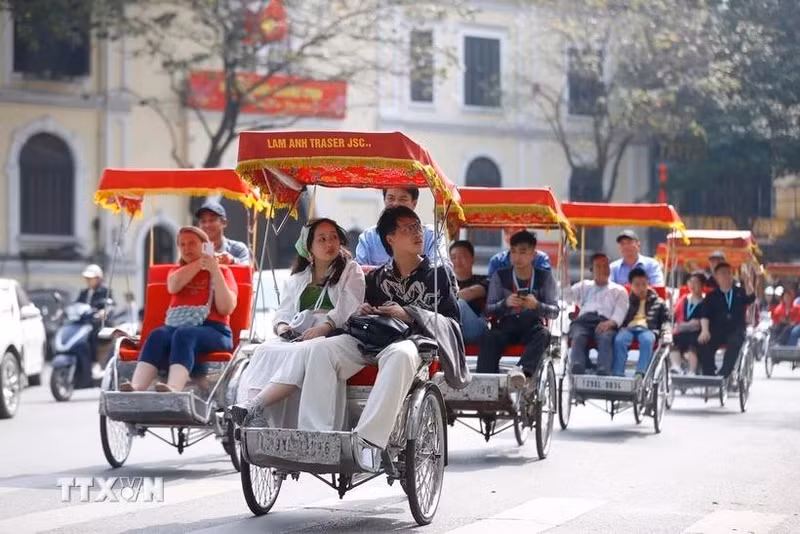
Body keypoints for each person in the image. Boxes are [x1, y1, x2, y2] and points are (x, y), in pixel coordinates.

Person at [296, 206, 465, 470]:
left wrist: (409, 313)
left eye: (418, 227)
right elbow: (355, 317)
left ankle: (367, 443)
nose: (417, 233)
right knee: (322, 349)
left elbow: (453, 324)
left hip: (414, 346)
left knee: (399, 355)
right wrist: (361, 310)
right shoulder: (375, 278)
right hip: (372, 339)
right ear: (390, 238)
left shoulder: (439, 276)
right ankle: (316, 438)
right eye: (408, 228)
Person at [228, 218, 365, 427]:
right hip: (300, 334)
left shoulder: (351, 271)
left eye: (334, 238)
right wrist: (284, 329)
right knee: (265, 349)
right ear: (308, 247)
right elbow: (283, 312)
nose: (329, 243)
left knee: (305, 350)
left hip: (335, 333)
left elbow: (349, 306)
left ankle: (256, 404)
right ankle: (254, 414)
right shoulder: (297, 278)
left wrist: (324, 327)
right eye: (322, 239)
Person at [120, 227, 238, 392]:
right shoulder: (176, 271)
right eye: (182, 245)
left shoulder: (223, 271)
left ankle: (174, 387)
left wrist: (214, 269)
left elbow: (226, 308)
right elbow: (173, 286)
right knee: (157, 335)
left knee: (185, 334)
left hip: (215, 331)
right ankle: (137, 386)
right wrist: (200, 262)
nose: (186, 248)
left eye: (191, 244)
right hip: (175, 329)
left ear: (205, 246)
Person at [478, 230, 559, 388]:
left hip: (532, 324)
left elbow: (554, 311)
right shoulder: (500, 276)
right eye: (513, 251)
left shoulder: (544, 277)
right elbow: (488, 310)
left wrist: (537, 305)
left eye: (523, 252)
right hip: (506, 324)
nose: (517, 257)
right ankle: (486, 383)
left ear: (533, 255)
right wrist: (505, 303)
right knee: (490, 336)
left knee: (543, 335)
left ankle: (522, 371)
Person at [564, 252, 628, 376]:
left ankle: (603, 369)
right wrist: (565, 275)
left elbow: (620, 311)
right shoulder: (584, 286)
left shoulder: (618, 290)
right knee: (578, 335)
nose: (602, 269)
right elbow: (567, 295)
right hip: (583, 321)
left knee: (605, 337)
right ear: (592, 270)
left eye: (605, 266)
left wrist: (611, 323)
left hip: (605, 322)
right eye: (598, 266)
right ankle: (577, 366)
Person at [355, 188, 448, 266]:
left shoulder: (432, 235)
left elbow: (441, 268)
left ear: (414, 203)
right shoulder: (369, 237)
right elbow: (360, 272)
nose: (396, 204)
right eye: (390, 198)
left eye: (403, 199)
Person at [697, 262, 756, 377]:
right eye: (723, 273)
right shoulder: (711, 296)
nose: (726, 276)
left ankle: (725, 373)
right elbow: (705, 315)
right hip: (717, 330)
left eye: (729, 273)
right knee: (704, 342)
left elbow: (751, 298)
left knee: (734, 342)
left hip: (735, 330)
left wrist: (748, 281)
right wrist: (705, 331)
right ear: (716, 277)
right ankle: (709, 374)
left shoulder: (739, 292)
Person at [611, 267, 670, 378]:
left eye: (644, 284)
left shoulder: (658, 302)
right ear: (631, 286)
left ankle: (641, 373)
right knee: (619, 340)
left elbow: (666, 320)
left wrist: (666, 332)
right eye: (637, 285)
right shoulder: (625, 300)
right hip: (628, 328)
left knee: (647, 340)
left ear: (648, 283)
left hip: (648, 329)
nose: (641, 288)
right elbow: (618, 316)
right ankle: (618, 373)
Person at [76, 263, 114, 378]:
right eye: (86, 278)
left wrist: (104, 311)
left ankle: (95, 363)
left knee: (92, 334)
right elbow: (76, 305)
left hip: (98, 323)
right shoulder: (83, 292)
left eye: (90, 278)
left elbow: (111, 305)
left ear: (98, 278)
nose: (88, 280)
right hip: (84, 322)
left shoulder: (105, 291)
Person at [449, 240, 488, 344]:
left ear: (473, 259)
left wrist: (444, 299)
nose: (457, 261)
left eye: (463, 256)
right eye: (453, 257)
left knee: (460, 304)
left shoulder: (484, 280)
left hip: (476, 329)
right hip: (452, 329)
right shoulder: (445, 282)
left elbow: (471, 292)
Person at [669, 271, 707, 375]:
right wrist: (670, 301)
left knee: (692, 343)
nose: (692, 285)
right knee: (673, 339)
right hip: (682, 330)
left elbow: (700, 322)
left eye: (696, 282)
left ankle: (692, 370)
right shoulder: (684, 299)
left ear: (702, 285)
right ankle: (676, 366)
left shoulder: (705, 301)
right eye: (690, 282)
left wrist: (691, 325)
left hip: (697, 333)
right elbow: (674, 313)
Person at [195, 200, 251, 265]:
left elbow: (247, 269)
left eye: (212, 220)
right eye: (203, 221)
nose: (207, 225)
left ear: (224, 222)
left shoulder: (238, 249)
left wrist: (232, 260)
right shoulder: (194, 250)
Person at [487, 227, 551, 276]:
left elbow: (545, 283)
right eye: (506, 232)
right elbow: (492, 285)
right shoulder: (496, 260)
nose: (510, 236)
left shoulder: (540, 258)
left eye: (515, 230)